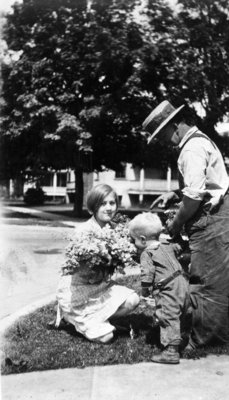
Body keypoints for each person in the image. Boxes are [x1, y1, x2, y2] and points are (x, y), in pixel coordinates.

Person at [142, 100, 229, 352]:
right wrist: (173, 193)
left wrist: (174, 225)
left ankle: (206, 341)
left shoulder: (190, 149)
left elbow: (193, 198)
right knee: (212, 278)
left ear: (175, 125)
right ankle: (212, 334)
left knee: (207, 281)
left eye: (161, 135)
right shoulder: (199, 141)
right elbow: (202, 184)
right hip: (216, 215)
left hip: (211, 219)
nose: (161, 141)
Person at [56, 184, 140, 343]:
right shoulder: (83, 231)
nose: (108, 208)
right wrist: (101, 255)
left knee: (133, 300)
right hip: (78, 290)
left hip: (100, 287)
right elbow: (75, 264)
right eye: (103, 204)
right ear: (93, 206)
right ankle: (72, 316)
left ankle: (97, 320)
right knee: (107, 338)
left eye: (112, 203)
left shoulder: (116, 230)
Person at [128, 212, 190, 364]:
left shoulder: (147, 253)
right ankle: (182, 340)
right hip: (182, 282)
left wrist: (145, 290)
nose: (133, 244)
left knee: (167, 315)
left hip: (167, 287)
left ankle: (171, 352)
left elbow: (147, 273)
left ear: (142, 239)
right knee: (181, 312)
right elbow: (179, 248)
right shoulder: (167, 245)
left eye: (133, 240)